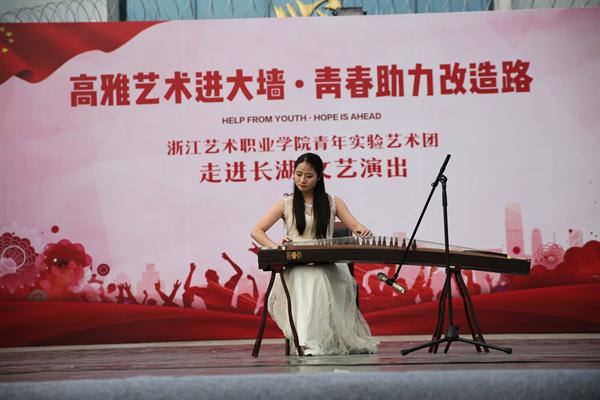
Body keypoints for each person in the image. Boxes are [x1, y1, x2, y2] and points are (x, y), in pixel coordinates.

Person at [251, 152, 378, 355]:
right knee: (310, 277)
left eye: (309, 176)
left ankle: (328, 339)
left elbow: (355, 225)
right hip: (297, 264)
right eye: (298, 174)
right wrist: (276, 247)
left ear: (319, 177)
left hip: (327, 262)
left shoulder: (332, 202)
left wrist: (363, 230)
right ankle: (307, 342)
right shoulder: (286, 203)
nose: (302, 180)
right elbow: (257, 231)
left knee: (326, 276)